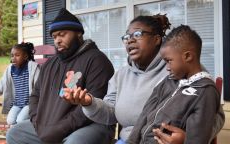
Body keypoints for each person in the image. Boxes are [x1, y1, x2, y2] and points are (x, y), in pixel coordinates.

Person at [63, 15, 225, 144]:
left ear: (156, 39)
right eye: (127, 36)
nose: (130, 40)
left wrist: (186, 138)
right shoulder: (121, 75)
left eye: (138, 34)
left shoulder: (182, 68)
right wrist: (89, 102)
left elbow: (215, 115)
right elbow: (110, 113)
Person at [6, 8, 115, 144]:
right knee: (15, 134)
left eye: (62, 35)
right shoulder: (50, 64)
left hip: (89, 125)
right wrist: (36, 120)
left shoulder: (97, 60)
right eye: (55, 36)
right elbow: (35, 96)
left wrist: (56, 130)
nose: (57, 40)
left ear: (79, 34)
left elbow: (93, 107)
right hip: (50, 125)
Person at [126, 25, 224, 144]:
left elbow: (198, 137)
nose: (167, 68)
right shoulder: (167, 81)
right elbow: (145, 114)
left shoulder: (205, 91)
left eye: (169, 61)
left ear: (187, 56)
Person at [0, 42, 40, 125]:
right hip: (17, 103)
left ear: (25, 56)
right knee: (10, 121)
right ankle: (17, 135)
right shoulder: (10, 69)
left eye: (17, 55)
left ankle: (26, 133)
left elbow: (40, 86)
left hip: (30, 103)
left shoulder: (33, 68)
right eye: (12, 55)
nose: (13, 58)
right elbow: (1, 86)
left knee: (20, 120)